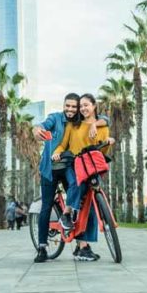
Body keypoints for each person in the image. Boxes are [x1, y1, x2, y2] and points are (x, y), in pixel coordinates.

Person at [31, 92, 109, 263]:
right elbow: (42, 125)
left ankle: (82, 246)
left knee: (80, 202)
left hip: (69, 167)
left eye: (74, 107)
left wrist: (96, 123)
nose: (71, 109)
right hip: (50, 169)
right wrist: (37, 129)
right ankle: (42, 248)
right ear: (63, 105)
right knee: (46, 206)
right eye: (68, 106)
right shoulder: (56, 118)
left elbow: (103, 118)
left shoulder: (80, 122)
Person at [53, 93, 114, 261]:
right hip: (74, 163)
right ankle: (66, 214)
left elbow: (100, 152)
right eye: (81, 106)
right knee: (77, 185)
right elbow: (63, 144)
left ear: (94, 106)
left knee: (92, 205)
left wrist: (108, 143)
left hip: (91, 166)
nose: (83, 108)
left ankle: (83, 246)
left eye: (86, 105)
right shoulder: (74, 125)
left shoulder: (102, 126)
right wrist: (57, 153)